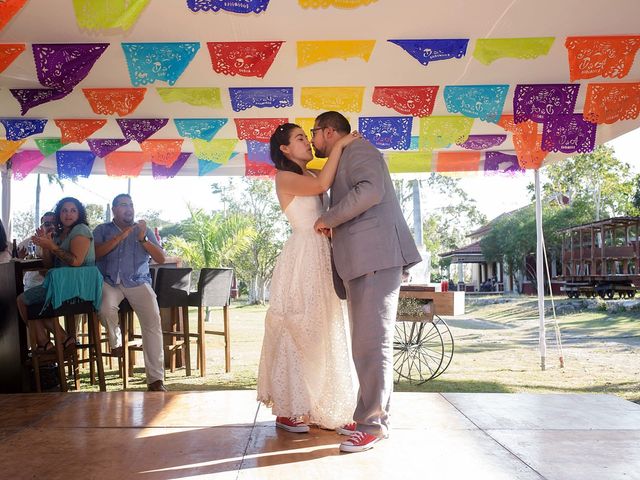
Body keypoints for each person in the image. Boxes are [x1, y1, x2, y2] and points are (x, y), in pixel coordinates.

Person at [312, 111, 422, 453]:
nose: (313, 138)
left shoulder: (358, 151)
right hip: (365, 261)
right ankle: (367, 417)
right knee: (365, 344)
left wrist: (327, 218)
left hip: (375, 257)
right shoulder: (346, 155)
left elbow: (371, 190)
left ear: (328, 131)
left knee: (372, 344)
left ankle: (373, 424)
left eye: (314, 132)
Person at [257, 123, 360, 433]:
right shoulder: (285, 176)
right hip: (302, 255)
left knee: (322, 327)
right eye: (300, 138)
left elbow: (323, 193)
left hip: (321, 252)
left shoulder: (312, 174)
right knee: (298, 325)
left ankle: (318, 405)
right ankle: (288, 409)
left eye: (306, 137)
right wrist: (339, 146)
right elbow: (320, 189)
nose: (306, 142)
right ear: (286, 149)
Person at [93, 194, 167, 392]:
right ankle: (115, 340)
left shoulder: (143, 230)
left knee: (153, 320)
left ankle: (155, 380)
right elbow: (95, 254)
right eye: (124, 205)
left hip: (138, 282)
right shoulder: (102, 230)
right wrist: (120, 237)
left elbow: (160, 258)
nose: (129, 209)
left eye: (131, 205)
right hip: (110, 282)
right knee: (105, 307)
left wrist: (142, 239)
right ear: (114, 210)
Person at [16, 197, 95, 351]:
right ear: (59, 214)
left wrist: (51, 245)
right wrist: (46, 245)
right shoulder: (59, 235)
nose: (68, 214)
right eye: (64, 210)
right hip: (61, 285)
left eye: (73, 210)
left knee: (22, 301)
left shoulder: (81, 230)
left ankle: (48, 343)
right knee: (30, 305)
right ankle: (58, 342)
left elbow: (76, 261)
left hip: (78, 287)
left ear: (79, 214)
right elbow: (50, 266)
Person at [19, 211, 56, 288]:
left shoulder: (62, 242)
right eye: (47, 224)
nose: (52, 226)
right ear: (41, 226)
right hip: (29, 286)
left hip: (50, 286)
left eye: (55, 223)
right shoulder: (29, 242)